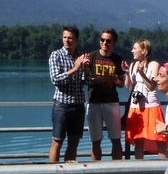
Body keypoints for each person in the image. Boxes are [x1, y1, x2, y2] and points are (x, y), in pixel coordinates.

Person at [48, 26, 88, 163]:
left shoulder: (81, 57)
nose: (67, 40)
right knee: (57, 141)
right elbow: (55, 79)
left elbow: (84, 82)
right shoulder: (56, 55)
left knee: (73, 143)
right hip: (62, 105)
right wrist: (75, 69)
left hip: (78, 105)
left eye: (70, 38)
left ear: (76, 40)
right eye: (65, 37)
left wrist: (86, 70)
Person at [121, 40, 168, 159]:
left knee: (159, 138)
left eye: (135, 48)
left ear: (144, 51)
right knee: (138, 141)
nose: (132, 51)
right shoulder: (133, 65)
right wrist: (127, 73)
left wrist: (141, 74)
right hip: (136, 107)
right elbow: (129, 86)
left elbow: (152, 86)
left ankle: (165, 169)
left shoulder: (154, 65)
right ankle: (139, 172)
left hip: (151, 106)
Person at [86, 28, 125, 161]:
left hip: (111, 103)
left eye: (108, 41)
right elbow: (86, 80)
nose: (105, 43)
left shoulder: (117, 59)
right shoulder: (91, 57)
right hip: (94, 103)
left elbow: (121, 83)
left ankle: (118, 171)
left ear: (114, 43)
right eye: (102, 40)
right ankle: (96, 172)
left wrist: (114, 79)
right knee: (95, 141)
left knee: (116, 140)